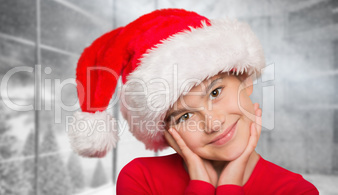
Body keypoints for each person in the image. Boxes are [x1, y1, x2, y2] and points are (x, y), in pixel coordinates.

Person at [68, 8, 319, 194]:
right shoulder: (140, 179)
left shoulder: (296, 190)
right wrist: (201, 185)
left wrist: (230, 184)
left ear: (245, 80)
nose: (212, 123)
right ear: (164, 132)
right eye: (184, 116)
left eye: (215, 92)